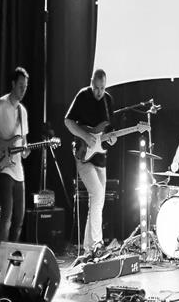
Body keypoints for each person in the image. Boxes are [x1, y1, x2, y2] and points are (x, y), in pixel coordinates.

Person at [65, 69, 116, 256]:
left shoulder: (108, 100)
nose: (99, 92)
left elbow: (109, 131)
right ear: (91, 83)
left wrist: (112, 139)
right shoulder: (82, 96)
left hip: (101, 156)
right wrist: (85, 136)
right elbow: (68, 121)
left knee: (97, 202)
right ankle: (97, 243)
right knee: (97, 194)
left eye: (102, 88)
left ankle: (87, 249)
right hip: (83, 155)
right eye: (96, 88)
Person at [0, 67, 30, 242]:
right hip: (4, 167)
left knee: (19, 218)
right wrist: (3, 146)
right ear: (13, 84)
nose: (23, 90)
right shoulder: (1, 105)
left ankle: (11, 253)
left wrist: (26, 150)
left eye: (25, 87)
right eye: (20, 86)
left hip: (18, 170)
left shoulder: (22, 111)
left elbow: (23, 142)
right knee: (6, 217)